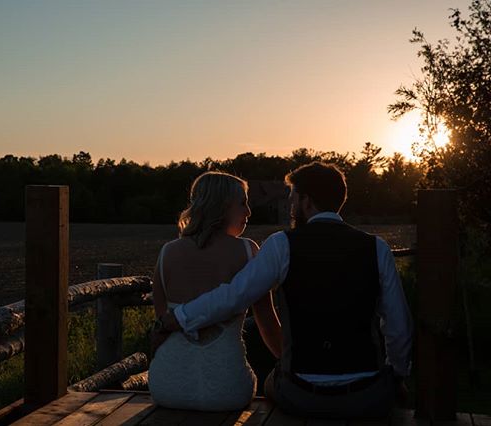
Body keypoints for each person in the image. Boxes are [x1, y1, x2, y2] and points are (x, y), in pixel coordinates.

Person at [153, 162, 413, 419]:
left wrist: (181, 316)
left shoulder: (282, 245)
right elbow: (399, 325)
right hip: (366, 395)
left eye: (293, 199)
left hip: (302, 395)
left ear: (307, 202)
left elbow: (233, 296)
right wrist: (398, 375)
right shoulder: (377, 248)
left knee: (270, 381)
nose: (290, 206)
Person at [148, 171, 282, 411]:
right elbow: (267, 324)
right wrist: (292, 364)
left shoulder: (167, 253)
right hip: (226, 390)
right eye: (243, 203)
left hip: (166, 387)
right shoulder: (248, 251)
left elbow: (162, 328)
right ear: (222, 206)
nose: (249, 212)